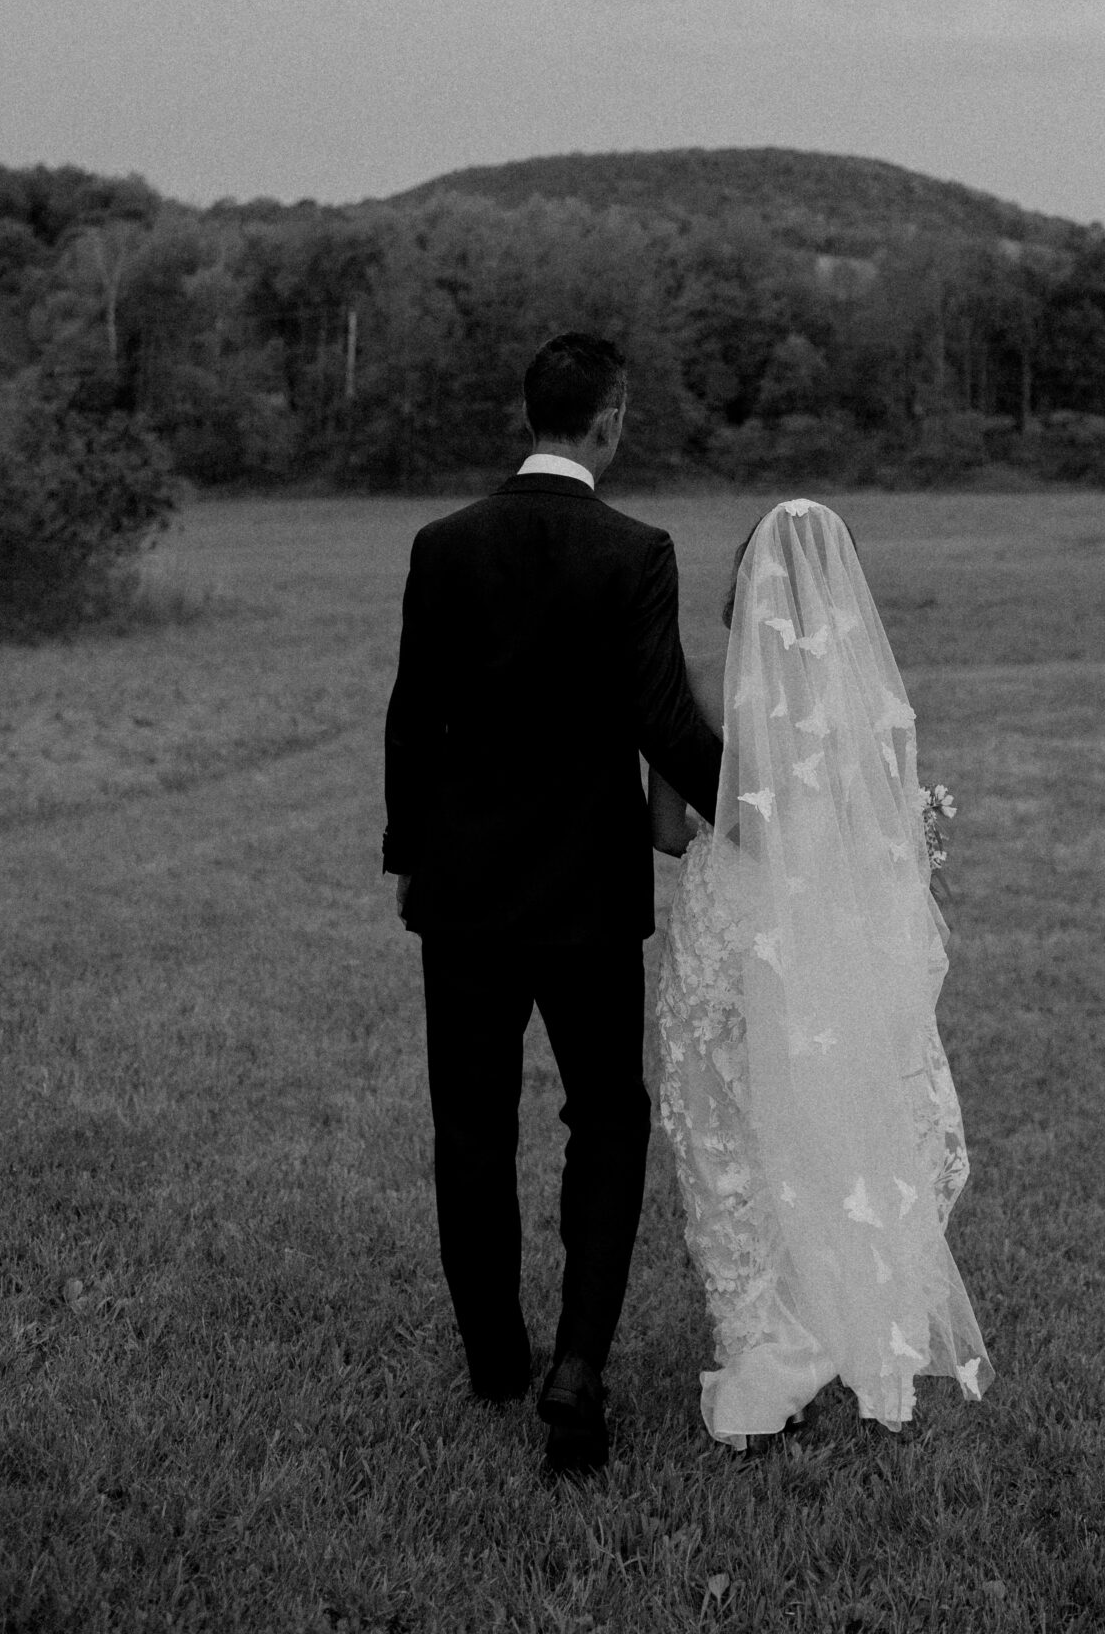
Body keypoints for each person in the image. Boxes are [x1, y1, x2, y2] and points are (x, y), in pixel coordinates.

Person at [382, 332, 723, 1472]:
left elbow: (410, 713)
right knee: (606, 1121)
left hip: (464, 892)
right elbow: (666, 723)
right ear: (611, 420)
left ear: (529, 414)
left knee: (470, 1128)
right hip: (587, 896)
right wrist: (769, 816)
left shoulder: (444, 543)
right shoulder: (636, 550)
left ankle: (494, 1357)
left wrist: (409, 857)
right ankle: (577, 1365)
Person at [652, 499, 992, 1446]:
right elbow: (888, 841)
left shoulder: (697, 685)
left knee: (726, 1137)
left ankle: (762, 1344)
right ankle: (829, 1324)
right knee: (832, 1122)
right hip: (828, 941)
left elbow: (664, 830)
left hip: (729, 933)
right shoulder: (865, 702)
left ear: (744, 585)